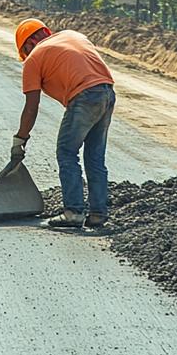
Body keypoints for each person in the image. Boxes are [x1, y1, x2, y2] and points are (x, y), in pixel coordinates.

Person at [12, 18, 115, 228]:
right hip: (107, 92)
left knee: (66, 152)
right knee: (95, 158)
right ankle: (98, 215)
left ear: (29, 44)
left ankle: (74, 212)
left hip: (84, 96)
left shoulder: (34, 58)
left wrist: (20, 138)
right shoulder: (73, 35)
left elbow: (31, 107)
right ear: (45, 32)